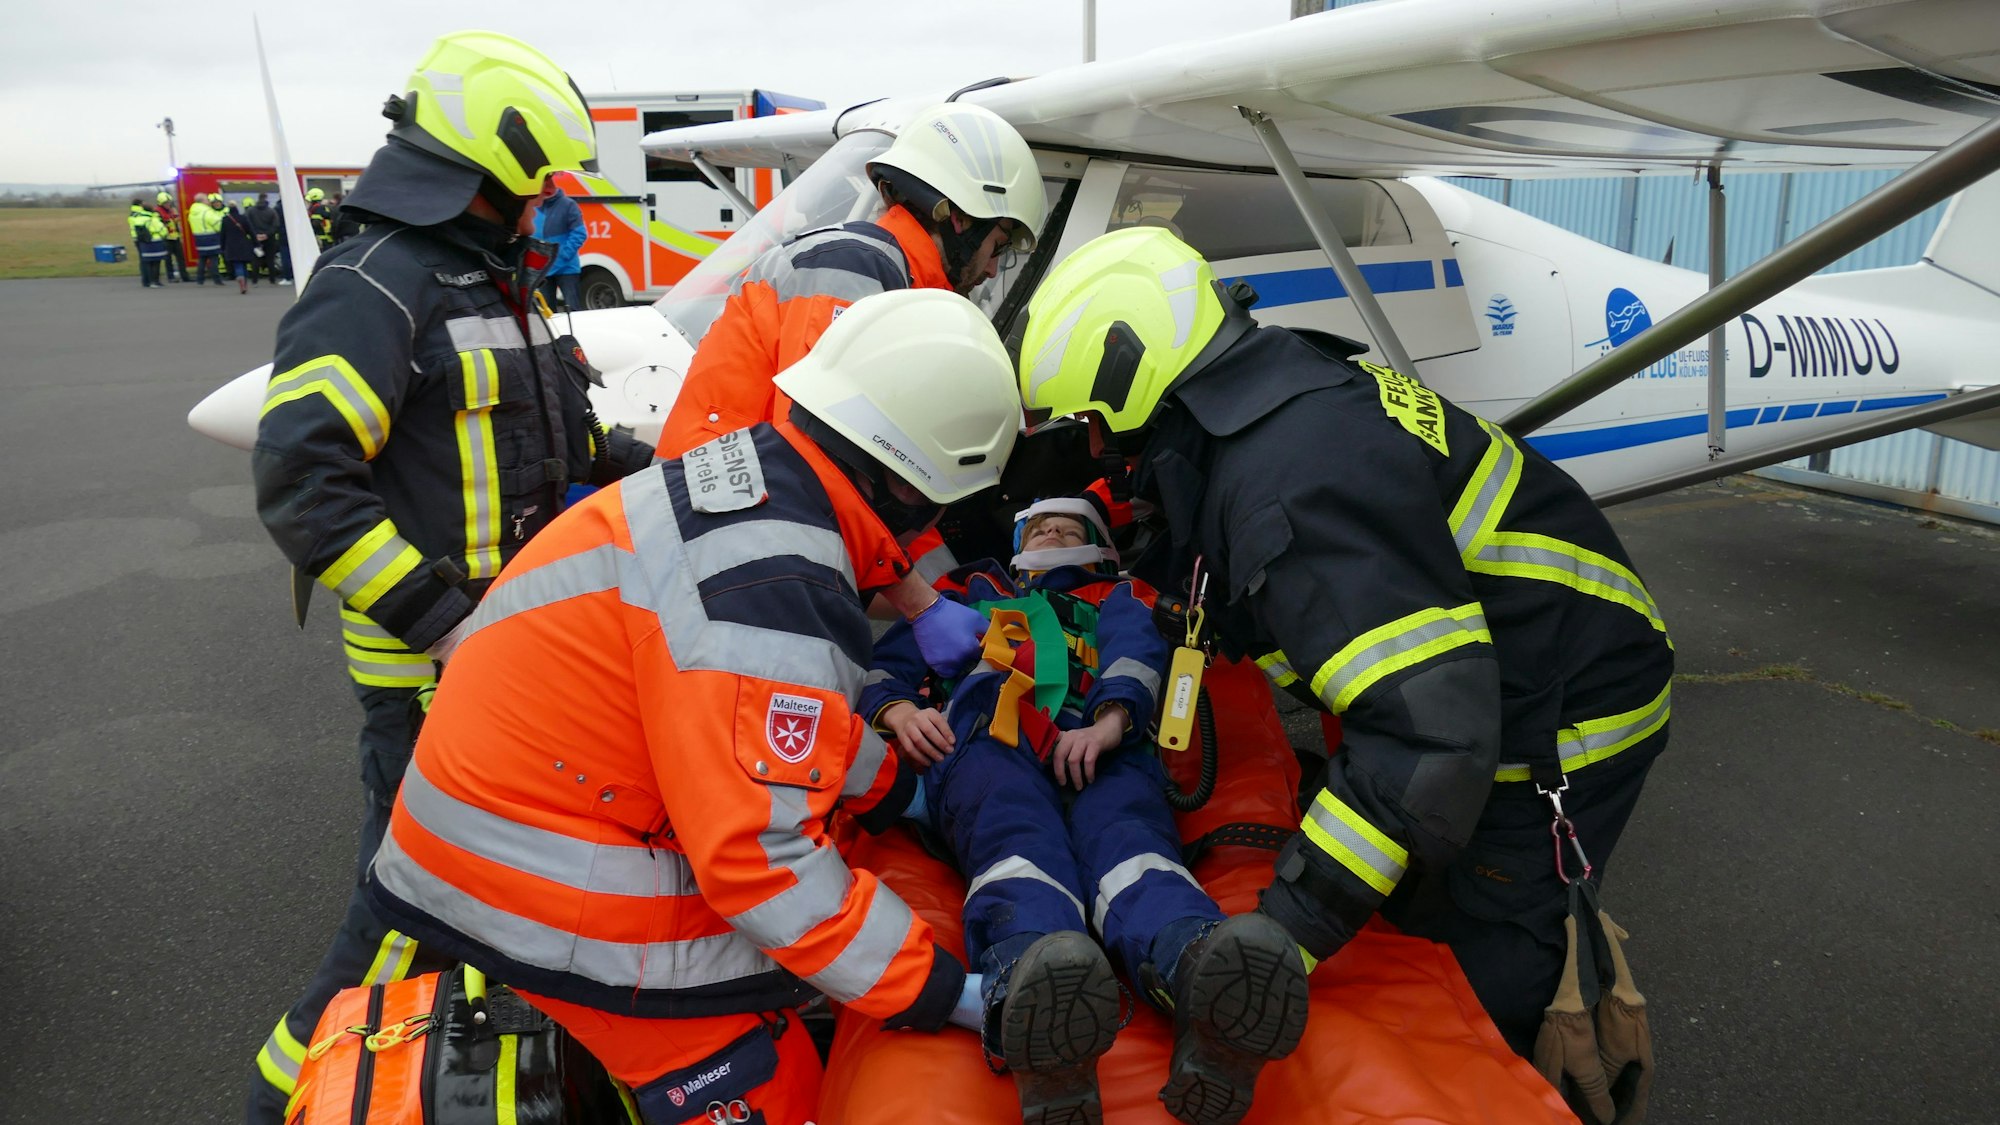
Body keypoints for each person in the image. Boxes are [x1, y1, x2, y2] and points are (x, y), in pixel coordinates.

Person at [364, 288, 1084, 1125]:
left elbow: (759, 716)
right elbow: (759, 860)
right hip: (530, 868)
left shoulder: (754, 485)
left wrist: (897, 789)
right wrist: (945, 991)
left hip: (518, 804)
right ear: (922, 483)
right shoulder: (779, 579)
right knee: (769, 1075)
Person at [1016, 227, 1674, 1107]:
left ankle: (1510, 1078)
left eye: (1096, 428)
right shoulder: (1264, 392)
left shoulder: (1292, 479)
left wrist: (1279, 943)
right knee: (1415, 893)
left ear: (1135, 379)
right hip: (1508, 669)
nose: (1097, 450)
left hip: (1561, 721)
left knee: (1484, 968)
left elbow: (1429, 743)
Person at [242, 31, 657, 1125]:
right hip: (434, 679)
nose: (554, 208)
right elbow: (300, 478)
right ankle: (280, 1098)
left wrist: (693, 476)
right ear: (483, 179)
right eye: (540, 188)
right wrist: (448, 628)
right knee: (403, 923)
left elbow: (572, 447)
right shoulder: (372, 286)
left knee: (497, 912)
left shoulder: (489, 284)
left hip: (507, 670)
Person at [862, 496, 1309, 1125]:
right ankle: (1033, 981)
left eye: (1066, 527)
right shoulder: (967, 592)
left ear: (1099, 546)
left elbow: (1137, 656)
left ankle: (1197, 968)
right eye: (1038, 526)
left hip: (1102, 749)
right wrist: (901, 713)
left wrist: (1109, 723)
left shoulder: (1117, 597)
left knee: (1134, 847)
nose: (1049, 532)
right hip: (993, 744)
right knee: (1016, 845)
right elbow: (888, 667)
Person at [658, 100, 1048, 674]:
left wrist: (961, 591)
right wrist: (923, 602)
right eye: (998, 247)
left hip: (750, 535)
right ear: (957, 219)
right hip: (719, 542)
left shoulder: (896, 285)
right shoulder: (854, 271)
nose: (993, 271)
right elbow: (820, 461)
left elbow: (887, 482)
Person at [531, 175, 585, 310]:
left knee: (573, 309)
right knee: (546, 310)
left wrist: (563, 256)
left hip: (567, 268)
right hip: (544, 268)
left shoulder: (568, 205)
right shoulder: (535, 205)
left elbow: (579, 233)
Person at [220, 198, 259, 294]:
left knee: (238, 265)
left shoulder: (225, 220)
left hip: (231, 245)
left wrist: (222, 247)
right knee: (244, 265)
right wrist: (256, 243)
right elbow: (251, 231)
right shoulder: (243, 218)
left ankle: (241, 282)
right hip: (244, 244)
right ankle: (245, 284)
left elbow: (222, 235)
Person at [127, 199, 168, 288]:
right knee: (156, 262)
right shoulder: (153, 219)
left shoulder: (136, 217)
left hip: (141, 241)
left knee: (146, 262)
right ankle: (155, 281)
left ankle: (146, 281)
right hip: (154, 242)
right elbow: (162, 231)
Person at [189, 192, 226, 286]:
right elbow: (217, 224)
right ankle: (217, 280)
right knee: (214, 259)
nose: (209, 201)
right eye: (207, 199)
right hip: (211, 237)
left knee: (202, 259)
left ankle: (200, 279)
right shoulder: (207, 211)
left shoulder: (192, 211)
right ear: (202, 201)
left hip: (198, 238)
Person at [246, 192, 281, 284]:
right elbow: (276, 225)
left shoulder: (250, 211)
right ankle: (272, 279)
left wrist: (255, 235)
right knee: (270, 259)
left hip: (255, 239)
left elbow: (247, 224)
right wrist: (266, 234)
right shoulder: (271, 211)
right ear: (266, 199)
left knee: (256, 260)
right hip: (270, 239)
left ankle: (254, 280)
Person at [155, 190, 187, 282]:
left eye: (169, 202)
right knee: (168, 259)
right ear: (161, 203)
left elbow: (176, 219)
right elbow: (158, 225)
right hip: (166, 239)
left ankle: (185, 276)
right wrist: (166, 223)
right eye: (166, 203)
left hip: (175, 237)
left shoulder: (171, 210)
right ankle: (171, 277)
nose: (168, 204)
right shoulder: (157, 213)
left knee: (181, 258)